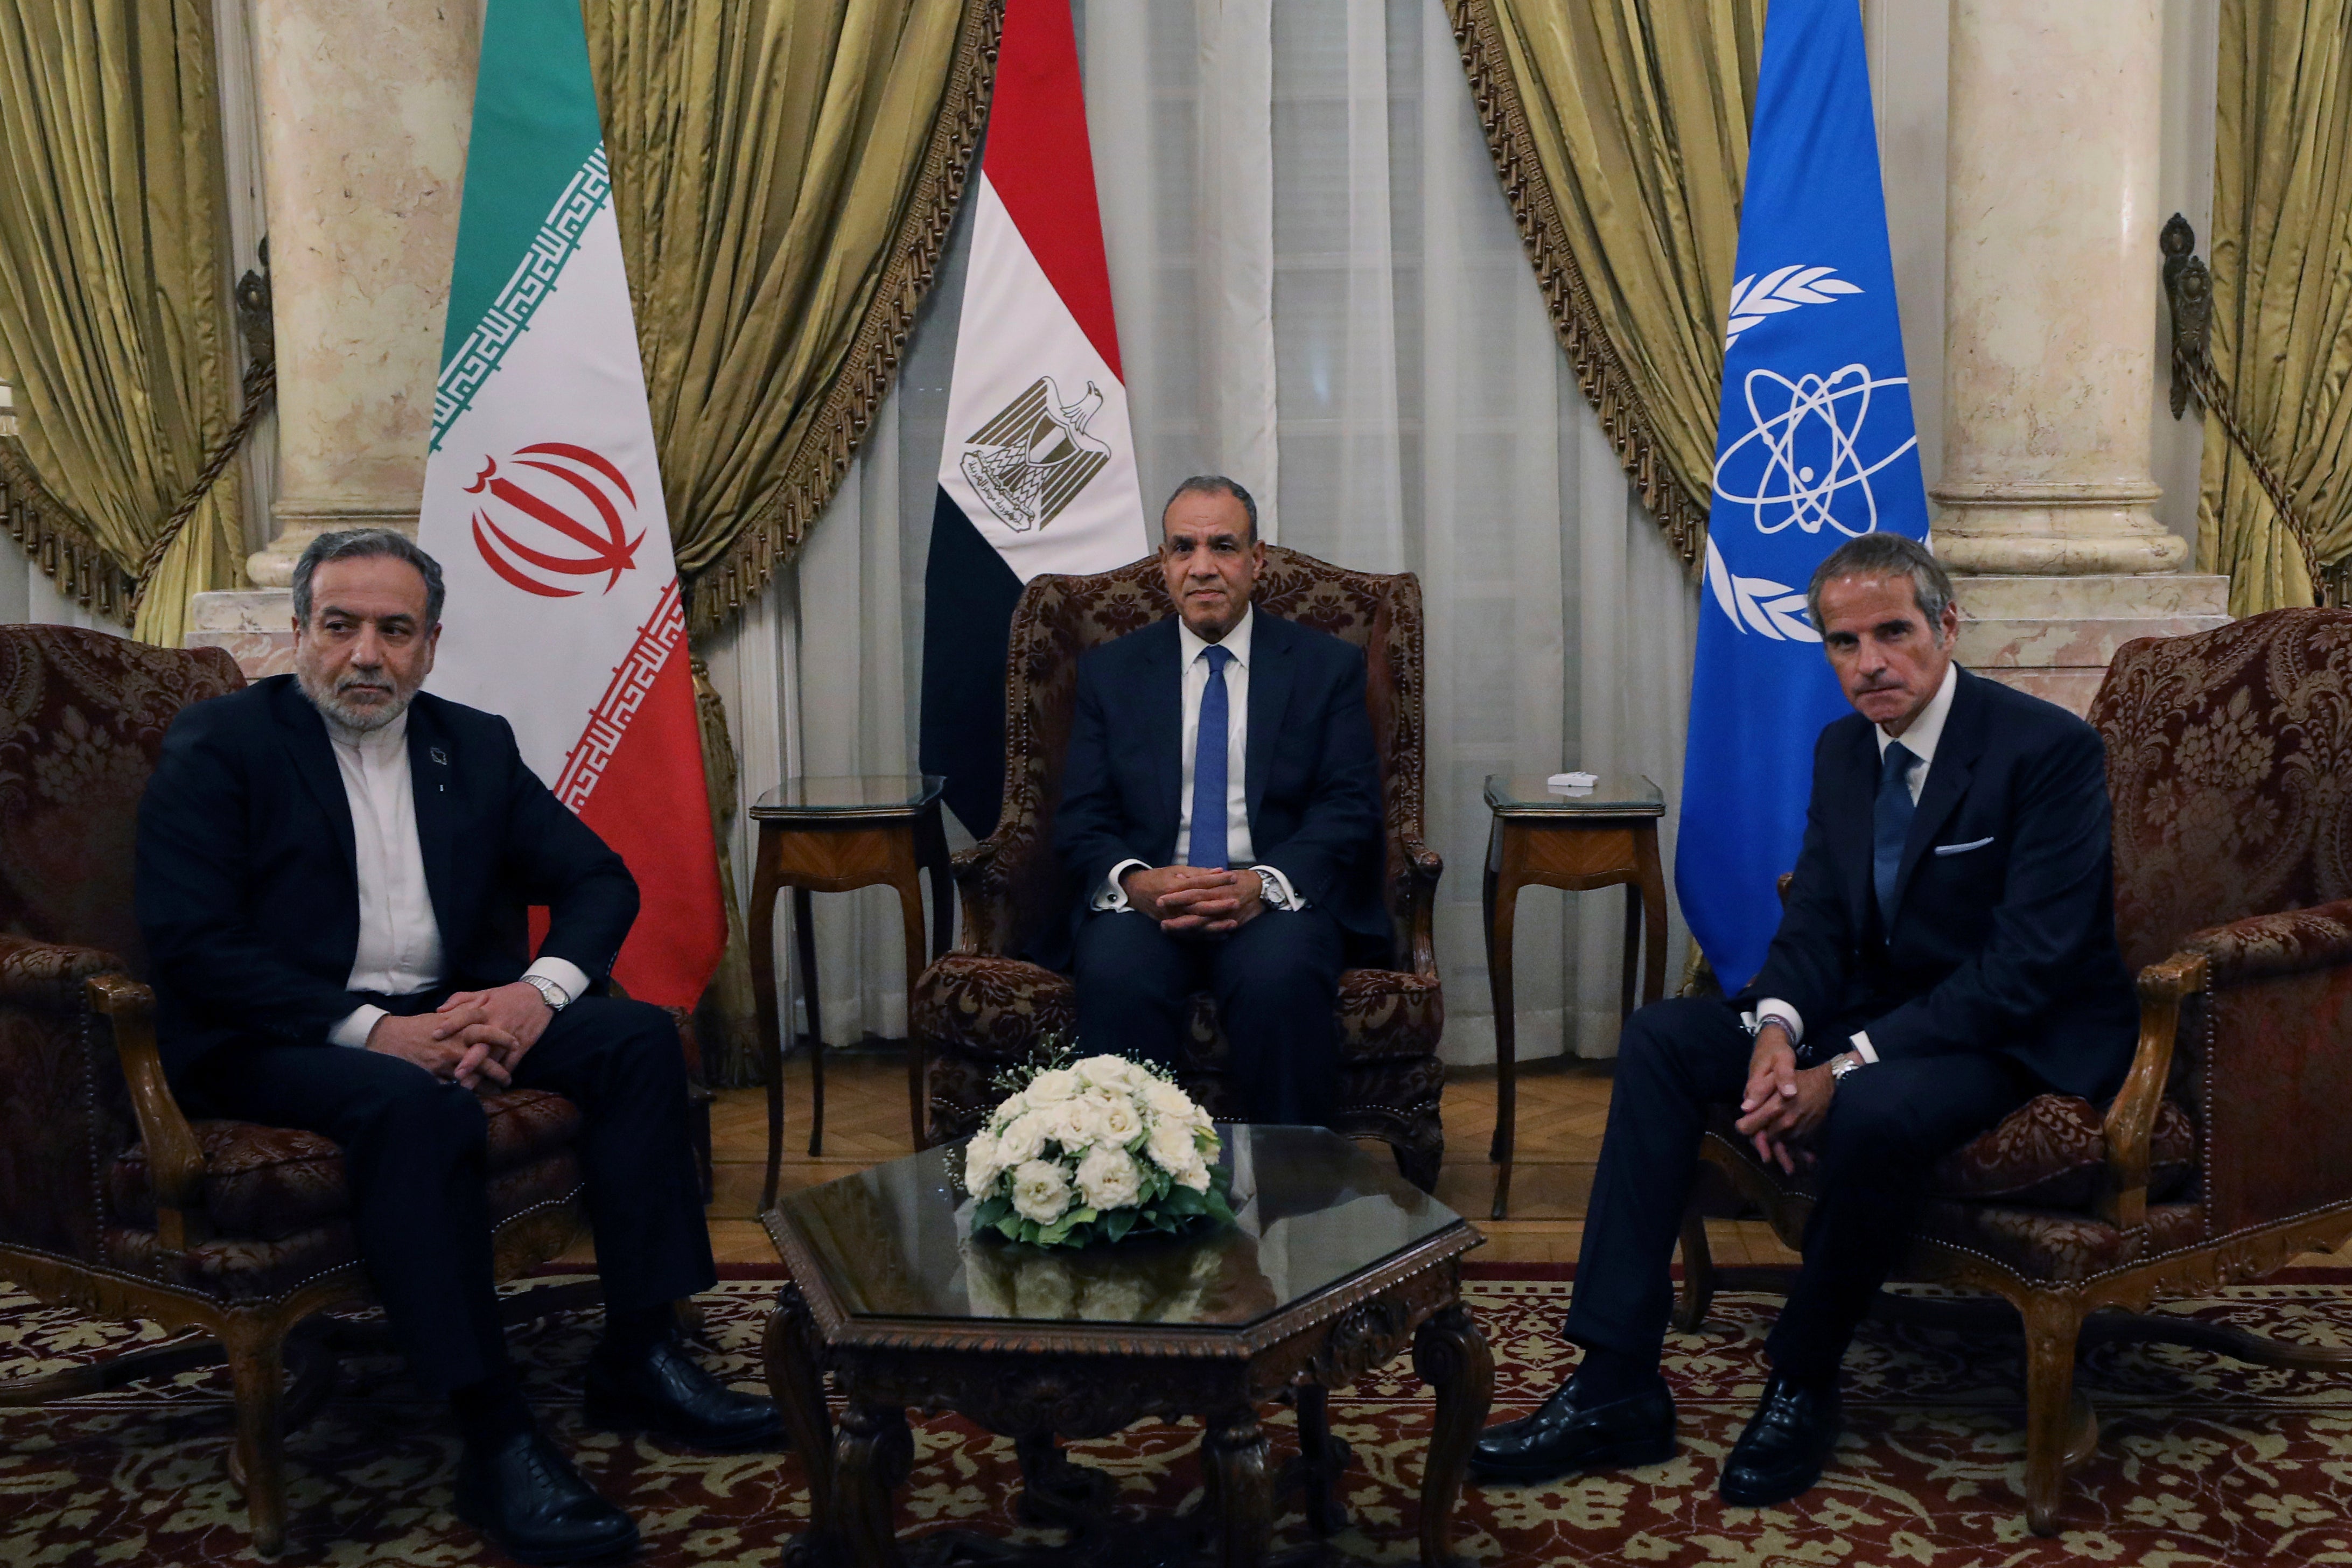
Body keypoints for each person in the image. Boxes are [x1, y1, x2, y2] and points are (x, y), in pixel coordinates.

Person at [137, 529, 780, 1565]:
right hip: (275, 1033)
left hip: (455, 1009)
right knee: (416, 1105)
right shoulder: (222, 747)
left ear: (431, 644)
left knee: (631, 1036)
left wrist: (535, 996)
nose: (365, 655)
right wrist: (380, 1033)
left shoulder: (470, 743)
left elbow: (600, 879)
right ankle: (493, 1429)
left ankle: (641, 1347)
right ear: (299, 632)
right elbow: (192, 945)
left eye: (395, 631)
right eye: (340, 626)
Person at [1471, 531, 2138, 1505]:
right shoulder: (1840, 748)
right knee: (1663, 1038)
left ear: (1946, 626)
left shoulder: (2045, 750)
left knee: (1867, 1111)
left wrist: (1844, 1066)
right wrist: (1779, 1034)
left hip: (2004, 1033)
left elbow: (2025, 965)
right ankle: (1615, 1379)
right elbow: (1818, 914)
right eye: (1840, 642)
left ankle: (1801, 1377)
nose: (1866, 663)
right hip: (1873, 1013)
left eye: (1891, 632)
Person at [1051, 475, 1387, 1126]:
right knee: (1117, 973)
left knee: (1280, 979)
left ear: (1257, 560)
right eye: (1184, 548)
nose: (1202, 567)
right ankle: (1132, 1196)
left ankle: (1294, 1200)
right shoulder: (1112, 671)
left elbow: (1349, 807)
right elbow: (1082, 815)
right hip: (1148, 900)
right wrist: (1138, 882)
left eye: (1224, 546)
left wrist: (1263, 883)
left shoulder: (1325, 666)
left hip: (1274, 898)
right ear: (1163, 563)